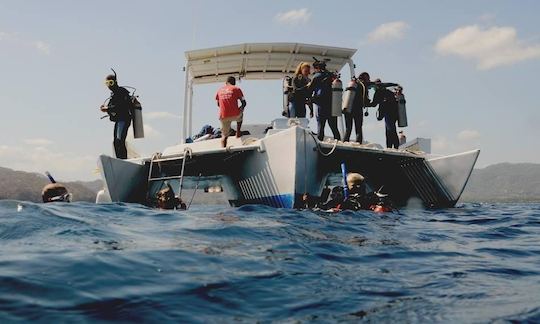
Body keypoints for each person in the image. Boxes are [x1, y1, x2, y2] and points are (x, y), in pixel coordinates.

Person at [100, 73, 133, 159]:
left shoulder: (121, 92)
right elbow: (113, 108)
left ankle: (123, 160)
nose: (109, 86)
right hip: (119, 120)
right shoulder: (114, 94)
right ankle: (120, 159)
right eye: (107, 83)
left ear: (115, 82)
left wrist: (107, 109)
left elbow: (121, 106)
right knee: (116, 142)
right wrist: (106, 109)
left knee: (119, 141)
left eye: (111, 83)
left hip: (124, 119)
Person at [309, 59, 340, 141]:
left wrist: (310, 101)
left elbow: (309, 90)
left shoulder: (316, 76)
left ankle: (319, 144)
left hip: (321, 104)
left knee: (321, 126)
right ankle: (339, 143)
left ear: (317, 68)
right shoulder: (331, 76)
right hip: (332, 104)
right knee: (334, 127)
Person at [215, 76, 247, 147]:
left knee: (224, 136)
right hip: (235, 114)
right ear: (234, 83)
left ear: (226, 83)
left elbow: (218, 104)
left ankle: (223, 149)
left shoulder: (219, 90)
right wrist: (240, 108)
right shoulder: (237, 89)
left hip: (223, 116)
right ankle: (238, 132)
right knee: (241, 115)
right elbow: (244, 103)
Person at [344, 72, 372, 143]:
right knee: (358, 128)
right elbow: (365, 100)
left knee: (348, 128)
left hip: (347, 108)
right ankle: (358, 143)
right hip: (357, 109)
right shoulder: (363, 86)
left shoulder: (353, 84)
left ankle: (345, 142)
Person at [372, 79, 400, 149]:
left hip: (388, 113)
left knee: (390, 130)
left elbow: (374, 104)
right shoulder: (388, 91)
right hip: (394, 113)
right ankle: (390, 147)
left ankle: (394, 146)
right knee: (389, 130)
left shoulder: (379, 91)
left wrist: (365, 104)